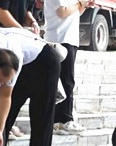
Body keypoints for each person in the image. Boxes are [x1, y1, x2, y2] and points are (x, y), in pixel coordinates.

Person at [45, 0, 89, 135]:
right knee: (66, 81)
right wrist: (79, 4)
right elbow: (62, 12)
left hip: (69, 38)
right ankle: (66, 119)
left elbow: (75, 13)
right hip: (60, 39)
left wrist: (84, 5)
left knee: (64, 81)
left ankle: (58, 119)